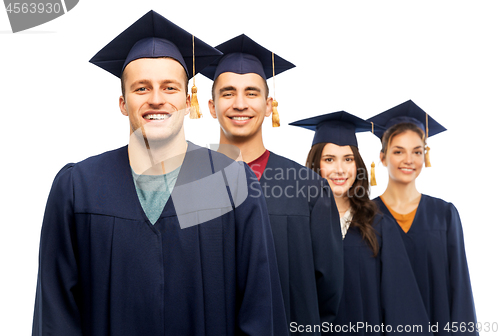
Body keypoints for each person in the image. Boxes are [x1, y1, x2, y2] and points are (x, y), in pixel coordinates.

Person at [32, 11, 288, 336]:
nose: (156, 99)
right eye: (142, 88)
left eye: (169, 88)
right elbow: (55, 316)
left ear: (187, 99)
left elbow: (261, 310)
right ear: (123, 103)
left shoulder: (231, 184)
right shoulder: (78, 189)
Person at [202, 34, 343, 335]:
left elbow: (328, 294)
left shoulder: (309, 189)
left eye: (251, 93)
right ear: (211, 107)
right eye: (228, 94)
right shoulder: (188, 185)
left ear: (269, 106)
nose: (240, 104)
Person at [291, 111, 432, 335]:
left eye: (348, 159)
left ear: (357, 166)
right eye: (329, 159)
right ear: (315, 165)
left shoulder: (378, 225)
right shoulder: (296, 224)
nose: (340, 169)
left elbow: (400, 302)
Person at [368, 100, 478, 335]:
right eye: (398, 151)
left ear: (424, 156)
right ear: (383, 157)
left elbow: (460, 291)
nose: (409, 160)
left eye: (417, 151)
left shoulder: (444, 215)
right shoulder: (365, 216)